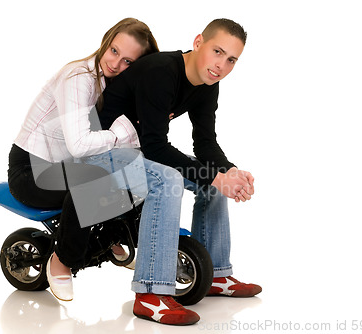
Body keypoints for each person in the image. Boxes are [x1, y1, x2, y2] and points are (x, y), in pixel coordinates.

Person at [7, 18, 186, 303]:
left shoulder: (118, 86)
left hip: (71, 166)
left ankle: (112, 235)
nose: (115, 64)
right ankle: (62, 260)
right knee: (94, 181)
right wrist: (123, 133)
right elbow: (79, 145)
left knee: (134, 170)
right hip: (33, 168)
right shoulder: (78, 77)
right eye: (113, 51)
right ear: (106, 41)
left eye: (128, 61)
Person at [98, 18, 261, 325]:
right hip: (99, 152)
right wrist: (216, 176)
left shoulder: (207, 83)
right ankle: (150, 294)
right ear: (198, 42)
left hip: (136, 151)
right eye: (217, 52)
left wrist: (231, 173)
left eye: (231, 60)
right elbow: (157, 147)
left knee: (210, 180)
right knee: (170, 178)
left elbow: (205, 142)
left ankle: (215, 276)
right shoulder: (162, 71)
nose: (221, 65)